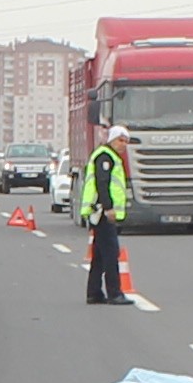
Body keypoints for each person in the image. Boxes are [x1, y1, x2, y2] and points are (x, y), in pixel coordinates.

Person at [79, 125, 137, 304]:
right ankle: (114, 293)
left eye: (126, 141)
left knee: (99, 256)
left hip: (100, 212)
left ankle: (94, 293)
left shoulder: (110, 156)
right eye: (120, 140)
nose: (123, 145)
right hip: (103, 213)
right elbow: (102, 184)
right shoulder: (105, 157)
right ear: (111, 139)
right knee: (111, 254)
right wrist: (109, 207)